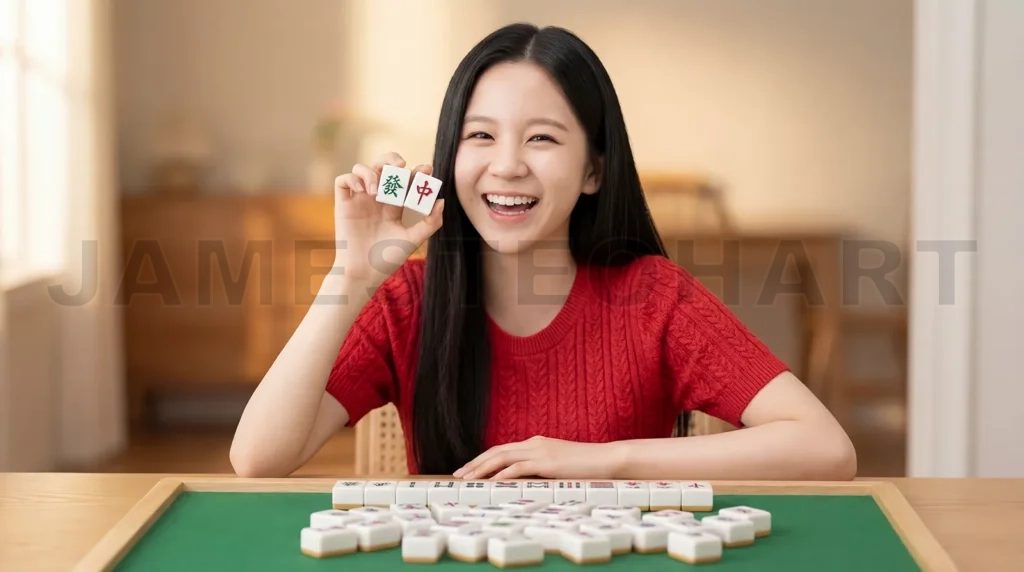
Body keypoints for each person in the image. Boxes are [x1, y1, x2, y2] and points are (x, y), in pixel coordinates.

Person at [230, 23, 856, 481]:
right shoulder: (408, 302)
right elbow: (258, 459)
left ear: (593, 171)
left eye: (542, 139)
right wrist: (351, 274)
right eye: (480, 136)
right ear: (450, 158)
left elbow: (827, 448)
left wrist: (604, 461)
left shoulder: (653, 296)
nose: (507, 166)